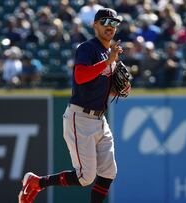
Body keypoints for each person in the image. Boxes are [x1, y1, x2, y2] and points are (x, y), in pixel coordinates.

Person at [18, 8, 126, 203]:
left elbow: (101, 86)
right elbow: (80, 76)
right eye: (105, 22)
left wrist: (117, 89)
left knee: (109, 172)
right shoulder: (87, 48)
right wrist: (109, 62)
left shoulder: (109, 53)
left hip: (100, 119)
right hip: (80, 117)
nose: (110, 27)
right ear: (95, 25)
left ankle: (37, 183)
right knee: (85, 178)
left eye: (114, 23)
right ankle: (37, 183)